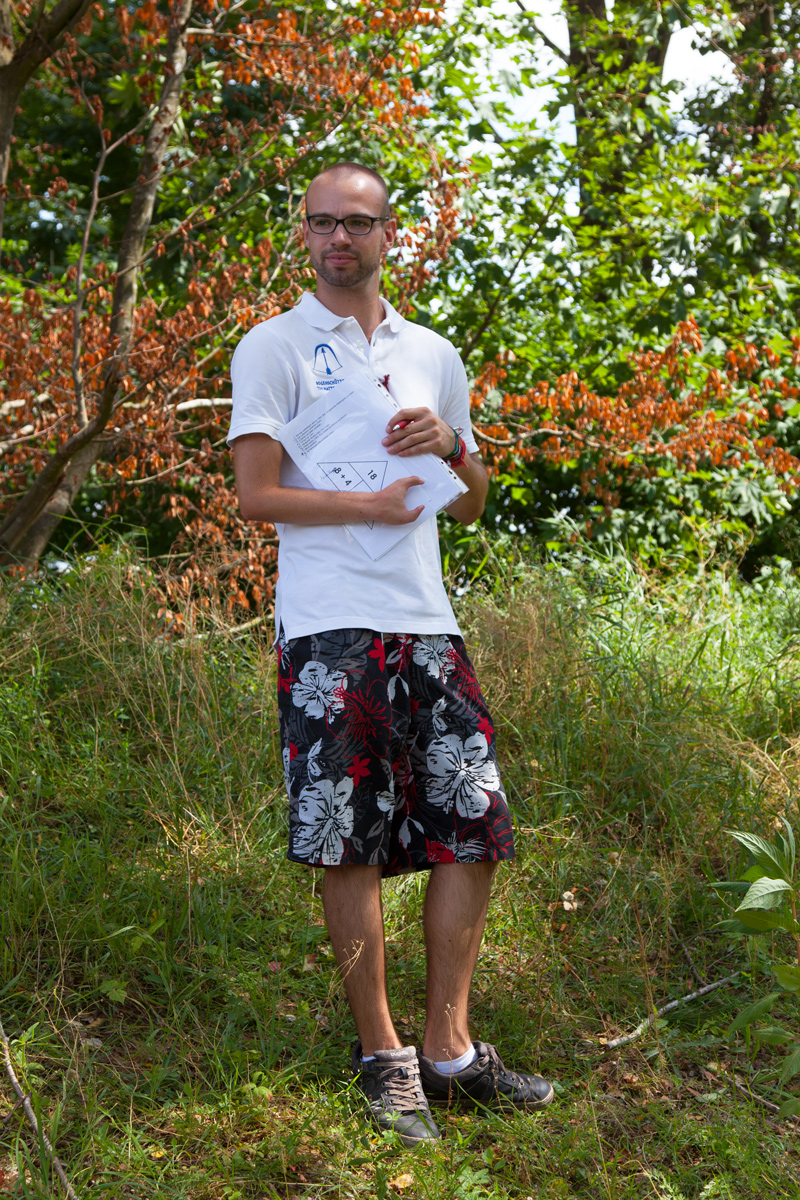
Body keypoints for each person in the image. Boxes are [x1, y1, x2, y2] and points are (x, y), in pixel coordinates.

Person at [228, 162, 553, 1146]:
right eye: (323, 222)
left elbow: (472, 499)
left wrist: (452, 444)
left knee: (472, 826)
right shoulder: (273, 345)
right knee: (348, 838)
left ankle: (449, 1050)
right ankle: (384, 1056)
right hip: (328, 625)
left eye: (357, 223)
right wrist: (363, 506)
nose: (340, 238)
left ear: (387, 234)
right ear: (302, 233)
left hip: (428, 622)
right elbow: (253, 493)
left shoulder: (431, 353)